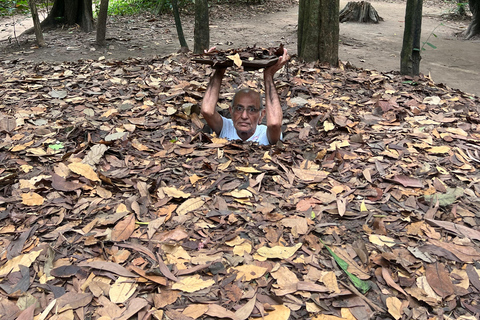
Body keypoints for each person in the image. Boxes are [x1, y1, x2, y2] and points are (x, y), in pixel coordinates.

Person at [201, 49, 290, 145]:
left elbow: (274, 124)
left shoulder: (265, 134)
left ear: (262, 115)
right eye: (239, 108)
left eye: (252, 110)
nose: (244, 116)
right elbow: (207, 111)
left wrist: (268, 76)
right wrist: (219, 68)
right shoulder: (225, 127)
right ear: (231, 111)